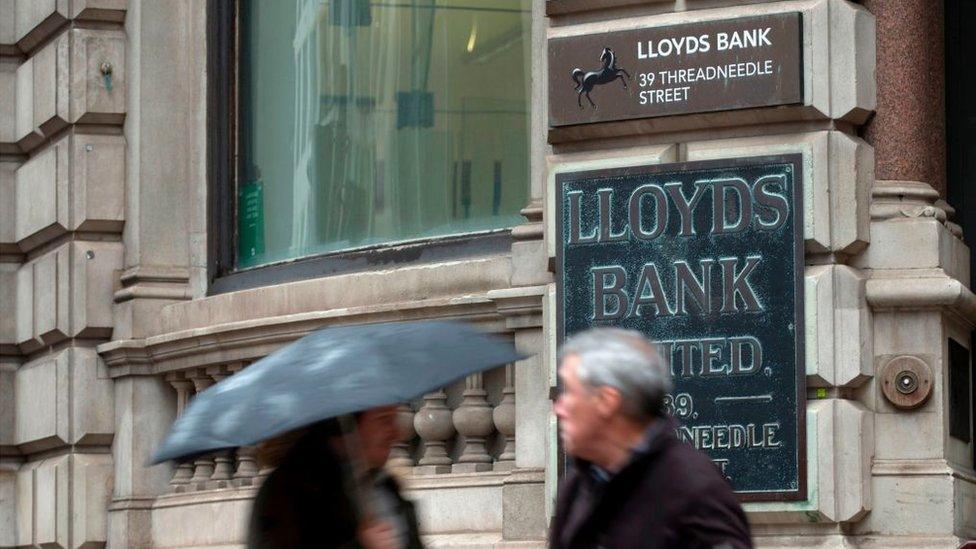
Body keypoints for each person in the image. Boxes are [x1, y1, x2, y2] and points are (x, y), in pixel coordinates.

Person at [550, 328, 752, 549]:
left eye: (569, 391)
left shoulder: (694, 489)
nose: (558, 408)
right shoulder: (577, 486)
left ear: (606, 401)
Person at [247, 405, 423, 549]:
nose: (396, 432)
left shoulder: (386, 486)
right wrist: (361, 545)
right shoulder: (289, 491)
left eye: (394, 419)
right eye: (383, 420)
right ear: (351, 427)